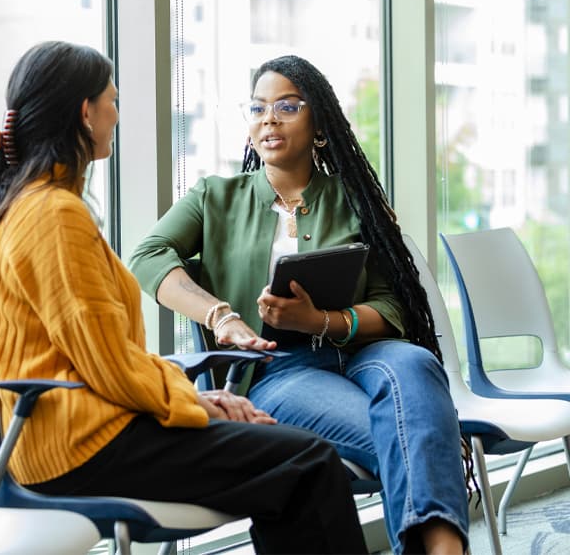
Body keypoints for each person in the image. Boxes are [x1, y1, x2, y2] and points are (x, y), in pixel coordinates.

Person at [0, 41, 368, 555]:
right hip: (81, 447)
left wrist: (197, 397)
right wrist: (200, 405)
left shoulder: (32, 204)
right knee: (306, 461)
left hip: (77, 434)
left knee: (292, 463)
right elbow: (108, 364)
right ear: (86, 114)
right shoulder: (53, 216)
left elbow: (105, 359)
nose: (116, 114)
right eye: (113, 101)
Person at [129, 54, 470, 554]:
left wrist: (321, 320)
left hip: (364, 353)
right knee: (416, 437)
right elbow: (147, 256)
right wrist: (220, 315)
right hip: (279, 370)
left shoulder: (355, 202)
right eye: (258, 108)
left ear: (319, 125)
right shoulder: (214, 197)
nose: (269, 119)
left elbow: (392, 309)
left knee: (416, 363)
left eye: (287, 106)